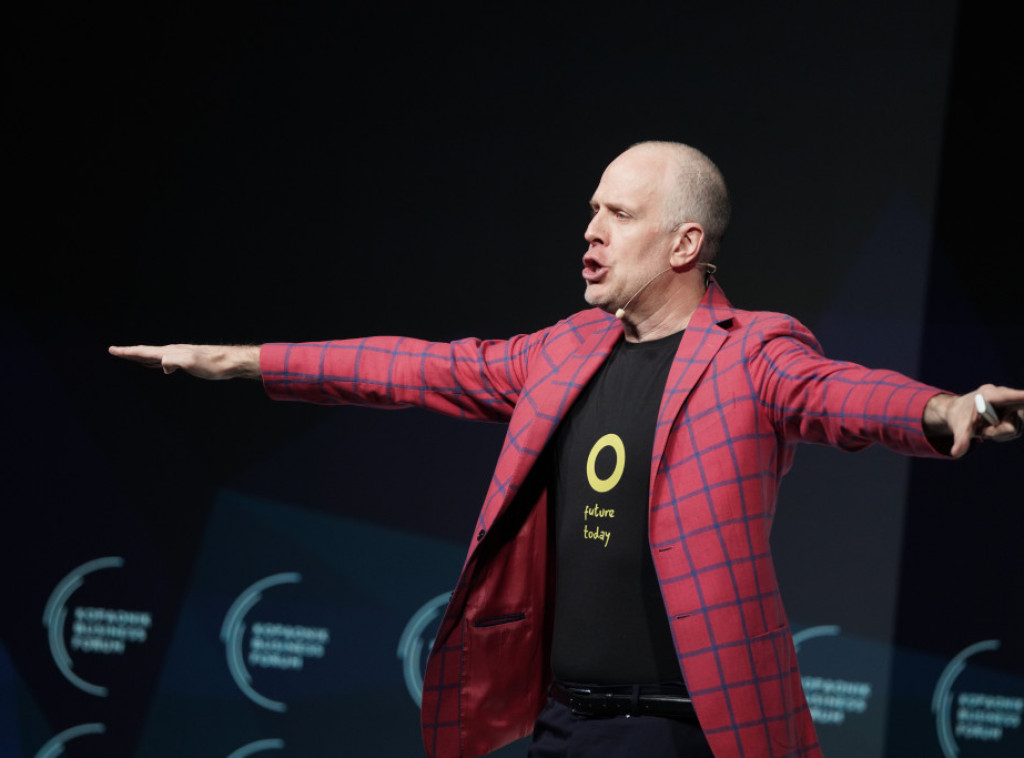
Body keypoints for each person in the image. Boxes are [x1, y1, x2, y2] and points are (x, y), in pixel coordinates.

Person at [110, 141, 1024, 758]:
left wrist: (943, 409)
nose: (591, 230)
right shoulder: (563, 351)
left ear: (685, 243)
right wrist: (244, 361)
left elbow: (835, 394)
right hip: (565, 724)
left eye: (617, 213)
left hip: (689, 733)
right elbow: (411, 368)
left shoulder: (752, 350)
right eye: (592, 210)